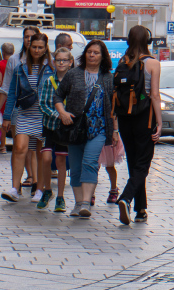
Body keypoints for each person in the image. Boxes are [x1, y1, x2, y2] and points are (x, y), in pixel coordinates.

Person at [55, 40, 115, 219]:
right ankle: (78, 203)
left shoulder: (108, 78)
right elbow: (58, 95)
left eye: (96, 52)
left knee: (89, 162)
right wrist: (62, 112)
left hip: (99, 128)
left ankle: (86, 203)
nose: (92, 55)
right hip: (74, 127)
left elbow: (113, 107)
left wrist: (116, 131)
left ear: (103, 56)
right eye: (89, 52)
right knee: (75, 167)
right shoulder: (73, 74)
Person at [114, 25, 161, 225]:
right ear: (147, 41)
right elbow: (155, 95)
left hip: (125, 118)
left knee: (134, 162)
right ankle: (126, 197)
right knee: (143, 163)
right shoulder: (153, 63)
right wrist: (159, 122)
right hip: (145, 118)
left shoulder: (122, 62)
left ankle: (141, 210)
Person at [0, 32, 53, 204]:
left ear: (46, 49)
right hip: (24, 113)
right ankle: (15, 188)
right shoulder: (20, 68)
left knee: (39, 152)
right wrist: (7, 117)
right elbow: (13, 94)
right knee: (20, 147)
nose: (37, 50)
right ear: (29, 47)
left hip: (43, 115)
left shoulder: (51, 69)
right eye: (34, 47)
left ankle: (39, 189)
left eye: (40, 47)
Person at [38, 48, 74, 213]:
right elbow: (43, 104)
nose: (61, 63)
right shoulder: (48, 81)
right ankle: (47, 190)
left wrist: (69, 116)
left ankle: (60, 196)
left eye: (64, 60)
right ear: (53, 62)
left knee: (61, 162)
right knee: (46, 158)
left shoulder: (73, 81)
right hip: (49, 126)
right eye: (58, 60)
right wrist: (58, 114)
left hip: (65, 129)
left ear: (70, 62)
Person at [0, 43, 15, 153]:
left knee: (2, 120)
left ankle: (2, 146)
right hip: (15, 94)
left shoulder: (0, 64)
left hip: (4, 95)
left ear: (2, 52)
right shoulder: (16, 63)